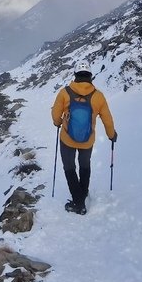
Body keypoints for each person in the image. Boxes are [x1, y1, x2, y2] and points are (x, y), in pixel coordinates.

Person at [51, 65, 117, 214]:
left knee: (69, 168)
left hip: (67, 138)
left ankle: (78, 203)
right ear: (90, 76)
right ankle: (83, 191)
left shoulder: (65, 93)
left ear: (75, 75)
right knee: (84, 165)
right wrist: (111, 135)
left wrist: (58, 123)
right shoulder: (98, 96)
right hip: (87, 140)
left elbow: (56, 114)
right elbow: (107, 118)